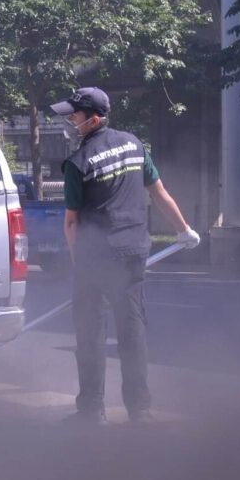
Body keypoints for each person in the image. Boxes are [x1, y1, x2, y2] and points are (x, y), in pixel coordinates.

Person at [52, 87, 201, 425]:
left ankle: (92, 411)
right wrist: (183, 229)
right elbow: (159, 192)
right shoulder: (134, 145)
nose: (69, 120)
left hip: (96, 256)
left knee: (90, 336)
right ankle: (141, 410)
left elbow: (72, 223)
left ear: (93, 118)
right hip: (133, 251)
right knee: (132, 333)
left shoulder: (78, 162)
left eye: (74, 114)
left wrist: (80, 266)